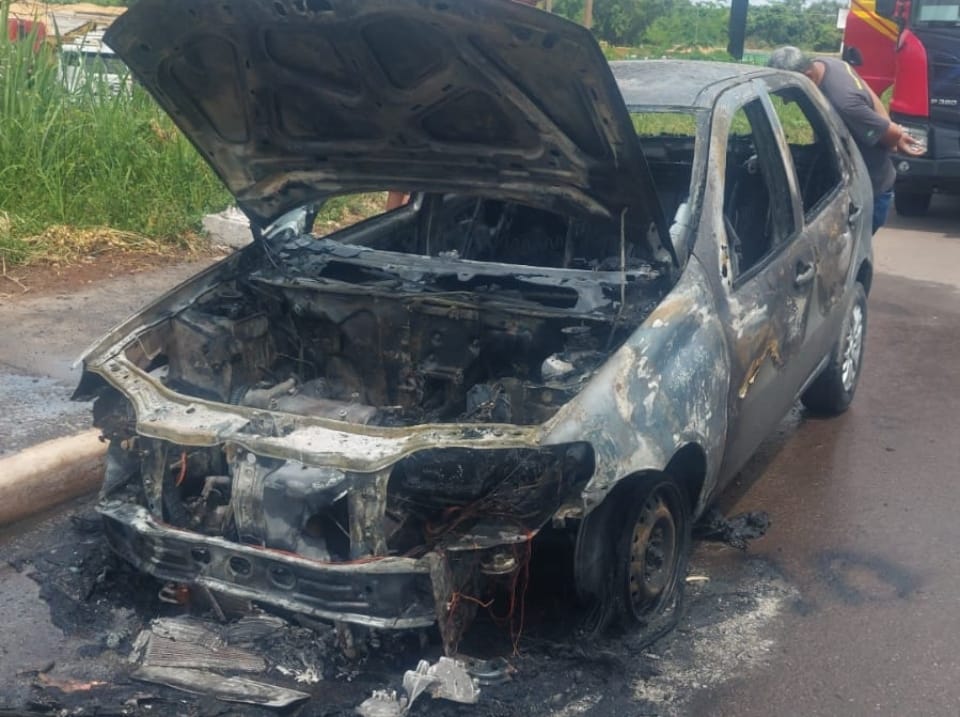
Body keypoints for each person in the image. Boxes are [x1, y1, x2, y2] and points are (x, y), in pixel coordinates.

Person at [767, 46, 924, 233]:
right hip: (861, 184)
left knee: (852, 255)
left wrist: (889, 133)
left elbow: (892, 137)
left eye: (788, 95)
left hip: (867, 191)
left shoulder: (844, 103)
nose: (786, 102)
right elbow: (868, 92)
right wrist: (882, 123)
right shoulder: (829, 64)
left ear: (808, 76)